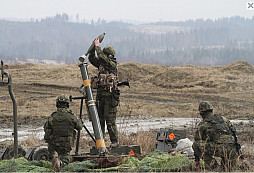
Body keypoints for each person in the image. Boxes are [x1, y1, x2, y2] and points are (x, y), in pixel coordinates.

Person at [88, 37, 120, 147]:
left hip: (110, 97)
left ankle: (114, 142)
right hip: (101, 96)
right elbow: (92, 59)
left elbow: (101, 58)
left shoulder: (111, 64)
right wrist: (92, 49)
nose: (103, 56)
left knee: (110, 121)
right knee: (99, 120)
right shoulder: (102, 65)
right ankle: (100, 142)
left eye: (105, 54)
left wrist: (97, 46)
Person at [192, 101, 240, 171]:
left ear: (201, 113)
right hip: (233, 151)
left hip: (219, 149)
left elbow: (197, 141)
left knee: (195, 145)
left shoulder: (203, 124)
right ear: (212, 110)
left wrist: (197, 160)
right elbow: (234, 133)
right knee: (228, 169)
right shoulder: (224, 119)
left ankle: (215, 167)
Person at [44, 95, 82, 169]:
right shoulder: (71, 116)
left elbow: (46, 130)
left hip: (54, 143)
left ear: (57, 104)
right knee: (65, 160)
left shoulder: (52, 117)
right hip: (66, 144)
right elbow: (79, 127)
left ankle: (53, 161)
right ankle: (60, 164)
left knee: (52, 157)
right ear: (67, 104)